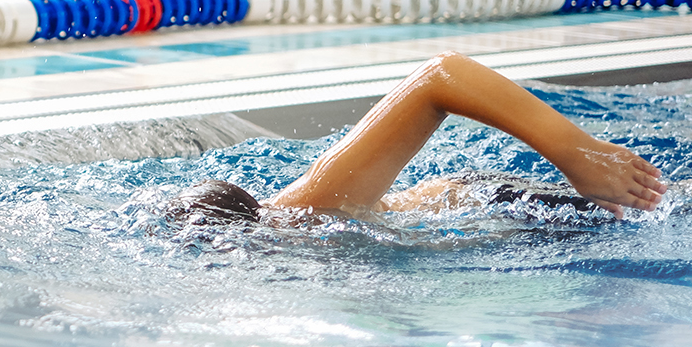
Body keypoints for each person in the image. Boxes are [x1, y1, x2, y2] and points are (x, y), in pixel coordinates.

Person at [168, 52, 667, 225]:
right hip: (471, 204)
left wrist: (580, 154)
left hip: (495, 205)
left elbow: (442, 75)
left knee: (673, 207)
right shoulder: (292, 223)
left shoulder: (310, 206)